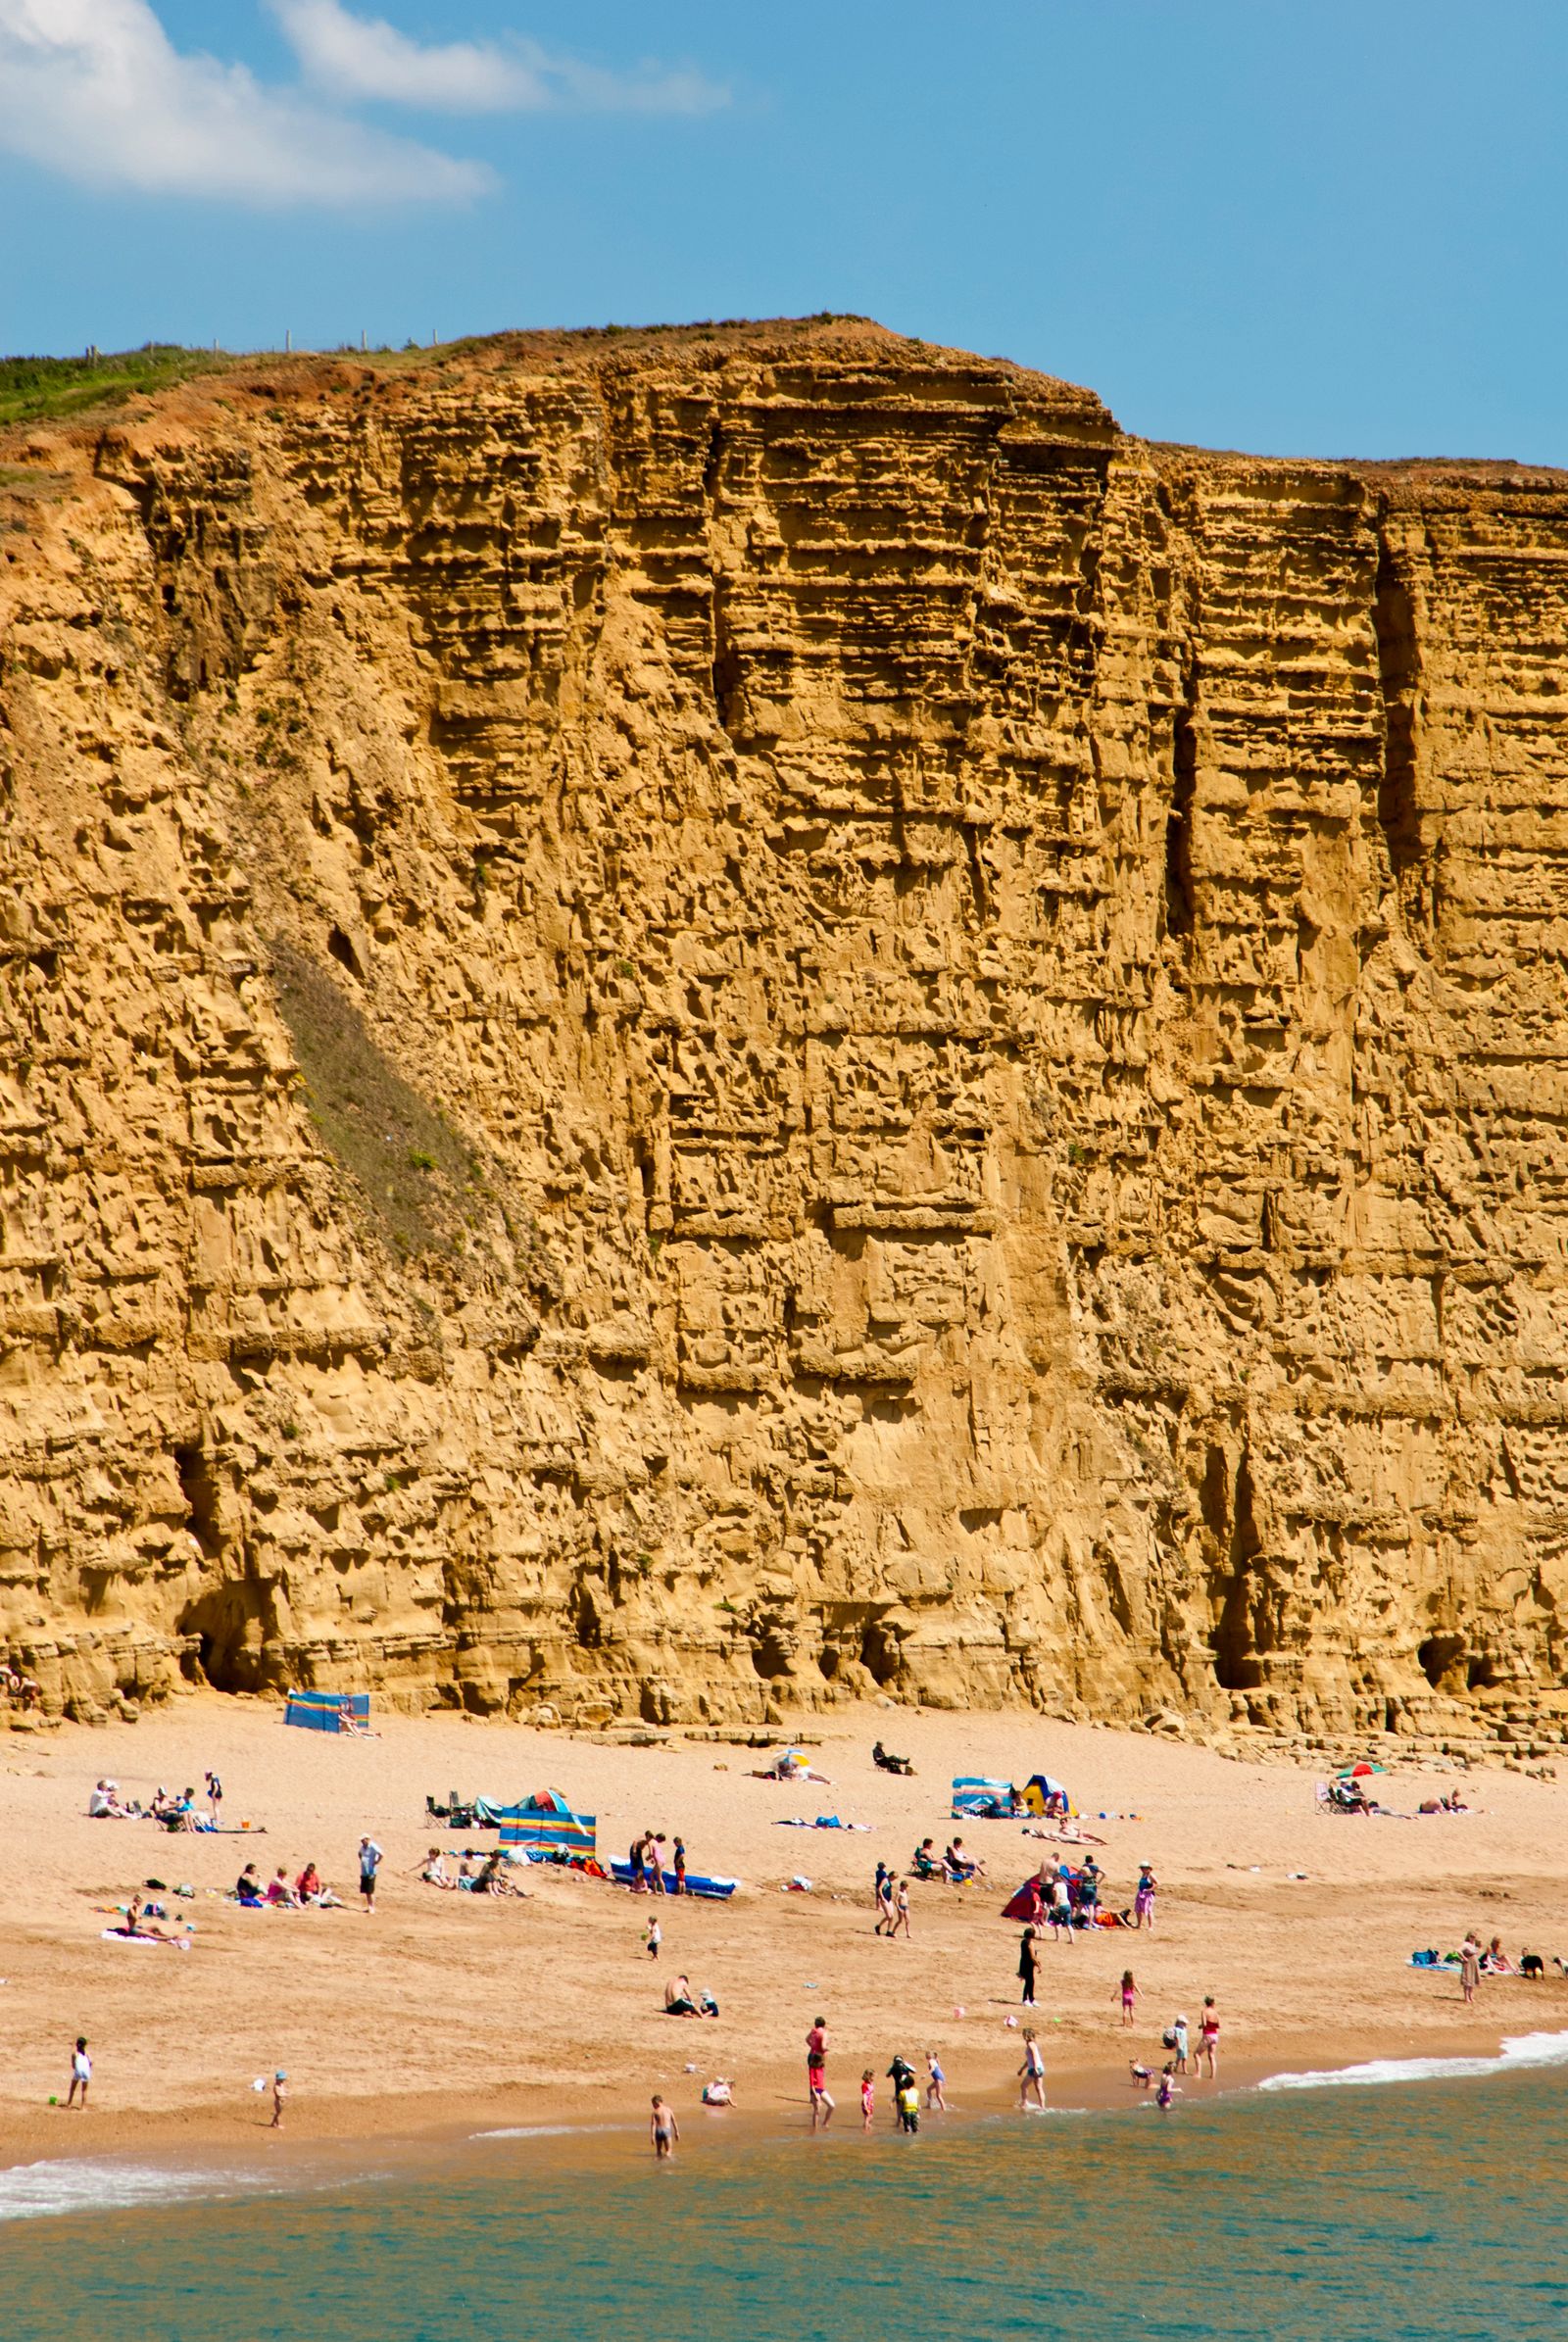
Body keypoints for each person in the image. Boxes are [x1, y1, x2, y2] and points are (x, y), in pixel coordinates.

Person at [807, 2016, 833, 2129]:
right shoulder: (824, 2033)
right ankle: (815, 2096)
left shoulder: (813, 2031)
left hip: (811, 2054)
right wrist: (827, 2048)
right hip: (818, 2056)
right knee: (817, 2075)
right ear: (824, 2024)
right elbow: (823, 2046)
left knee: (812, 2075)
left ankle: (812, 2096)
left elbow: (807, 2040)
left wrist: (812, 2047)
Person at [1018, 2028, 1046, 2111]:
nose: (1023, 2036)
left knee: (1023, 2086)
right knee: (1039, 2088)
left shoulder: (1031, 2044)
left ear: (1027, 2035)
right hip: (1039, 2068)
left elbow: (1035, 2056)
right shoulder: (1033, 2044)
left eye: (1024, 2035)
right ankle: (1042, 2107)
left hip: (1034, 2069)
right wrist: (1022, 2069)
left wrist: (1036, 2068)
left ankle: (1024, 2104)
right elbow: (1029, 2060)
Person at [1196, 1997, 1220, 2076]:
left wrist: (1200, 2026)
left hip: (1208, 2034)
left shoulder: (1204, 2011)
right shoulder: (1215, 2012)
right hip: (1215, 2035)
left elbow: (1204, 2024)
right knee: (1211, 2055)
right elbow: (1219, 2025)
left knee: (1197, 2054)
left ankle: (1198, 2073)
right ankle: (1212, 2075)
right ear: (1212, 2003)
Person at [358, 1836, 382, 1914]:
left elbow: (381, 1854)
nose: (362, 1841)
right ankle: (369, 1906)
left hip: (371, 1871)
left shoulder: (373, 1846)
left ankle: (372, 1907)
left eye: (363, 1840)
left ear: (367, 1839)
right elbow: (359, 1853)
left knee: (370, 1890)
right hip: (364, 1871)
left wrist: (377, 1862)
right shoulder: (363, 1847)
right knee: (367, 1891)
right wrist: (362, 1861)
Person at [650, 2094, 678, 2160]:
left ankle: (657, 2161)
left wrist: (652, 2136)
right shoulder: (668, 2110)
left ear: (657, 2102)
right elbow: (674, 2121)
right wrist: (677, 2132)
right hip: (666, 2130)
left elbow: (653, 2124)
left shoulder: (654, 2112)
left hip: (658, 2131)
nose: (653, 2106)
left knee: (658, 2150)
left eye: (653, 2104)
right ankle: (667, 2162)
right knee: (669, 2150)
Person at [1018, 1923, 1039, 2008]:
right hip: (1029, 1964)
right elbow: (1032, 1956)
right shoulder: (1030, 1943)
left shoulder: (1023, 1942)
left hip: (1023, 1963)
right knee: (1029, 1982)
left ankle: (1031, 1999)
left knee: (1030, 1982)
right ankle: (1025, 1999)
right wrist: (1039, 1965)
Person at [67, 2036, 91, 2109]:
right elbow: (91, 2062)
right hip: (86, 2071)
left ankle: (69, 2104)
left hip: (78, 2071)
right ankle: (83, 2106)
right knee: (84, 2090)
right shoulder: (87, 2053)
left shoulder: (75, 2053)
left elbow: (73, 2066)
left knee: (72, 2088)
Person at [1134, 1864, 1158, 1929]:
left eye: (1143, 1868)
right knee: (1138, 1909)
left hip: (1148, 1895)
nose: (1141, 1869)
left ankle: (1150, 1926)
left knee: (1149, 1910)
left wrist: (1150, 1889)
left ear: (1148, 1868)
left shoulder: (1151, 1875)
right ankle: (1139, 1925)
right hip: (1141, 1893)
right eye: (1141, 1868)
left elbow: (1157, 1883)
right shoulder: (1143, 1875)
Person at [1460, 1934, 1482, 2006]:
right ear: (1469, 1937)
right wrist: (1464, 1958)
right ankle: (1466, 1997)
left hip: (1474, 1964)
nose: (1473, 1938)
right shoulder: (1466, 1944)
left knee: (1472, 1980)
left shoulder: (1475, 1945)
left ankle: (1470, 1996)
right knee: (1467, 1980)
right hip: (1468, 1963)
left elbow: (1476, 1952)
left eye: (1474, 1937)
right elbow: (1458, 1950)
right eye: (1471, 1936)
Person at [873, 1863, 894, 1935]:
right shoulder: (884, 1876)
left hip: (887, 1897)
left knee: (891, 1916)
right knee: (889, 1916)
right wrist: (882, 1897)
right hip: (884, 1897)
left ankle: (888, 1931)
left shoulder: (877, 1872)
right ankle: (880, 1927)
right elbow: (881, 1888)